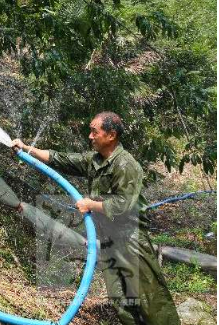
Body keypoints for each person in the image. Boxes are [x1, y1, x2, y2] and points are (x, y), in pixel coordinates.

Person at [11, 112, 179, 325]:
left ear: (111, 135)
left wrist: (91, 204)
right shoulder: (95, 160)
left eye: (94, 131)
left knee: (151, 300)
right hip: (109, 241)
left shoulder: (126, 166)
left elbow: (123, 205)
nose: (90, 136)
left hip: (131, 241)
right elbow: (60, 159)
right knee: (121, 301)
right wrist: (27, 148)